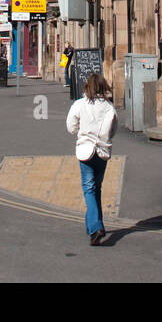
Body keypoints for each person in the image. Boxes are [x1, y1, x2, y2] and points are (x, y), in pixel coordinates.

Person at [66, 72, 117, 246]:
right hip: (102, 151)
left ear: (87, 87)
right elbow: (113, 130)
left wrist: (82, 129)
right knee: (96, 188)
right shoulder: (110, 107)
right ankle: (93, 228)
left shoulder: (80, 104)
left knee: (89, 189)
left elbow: (71, 127)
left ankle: (96, 227)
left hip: (86, 151)